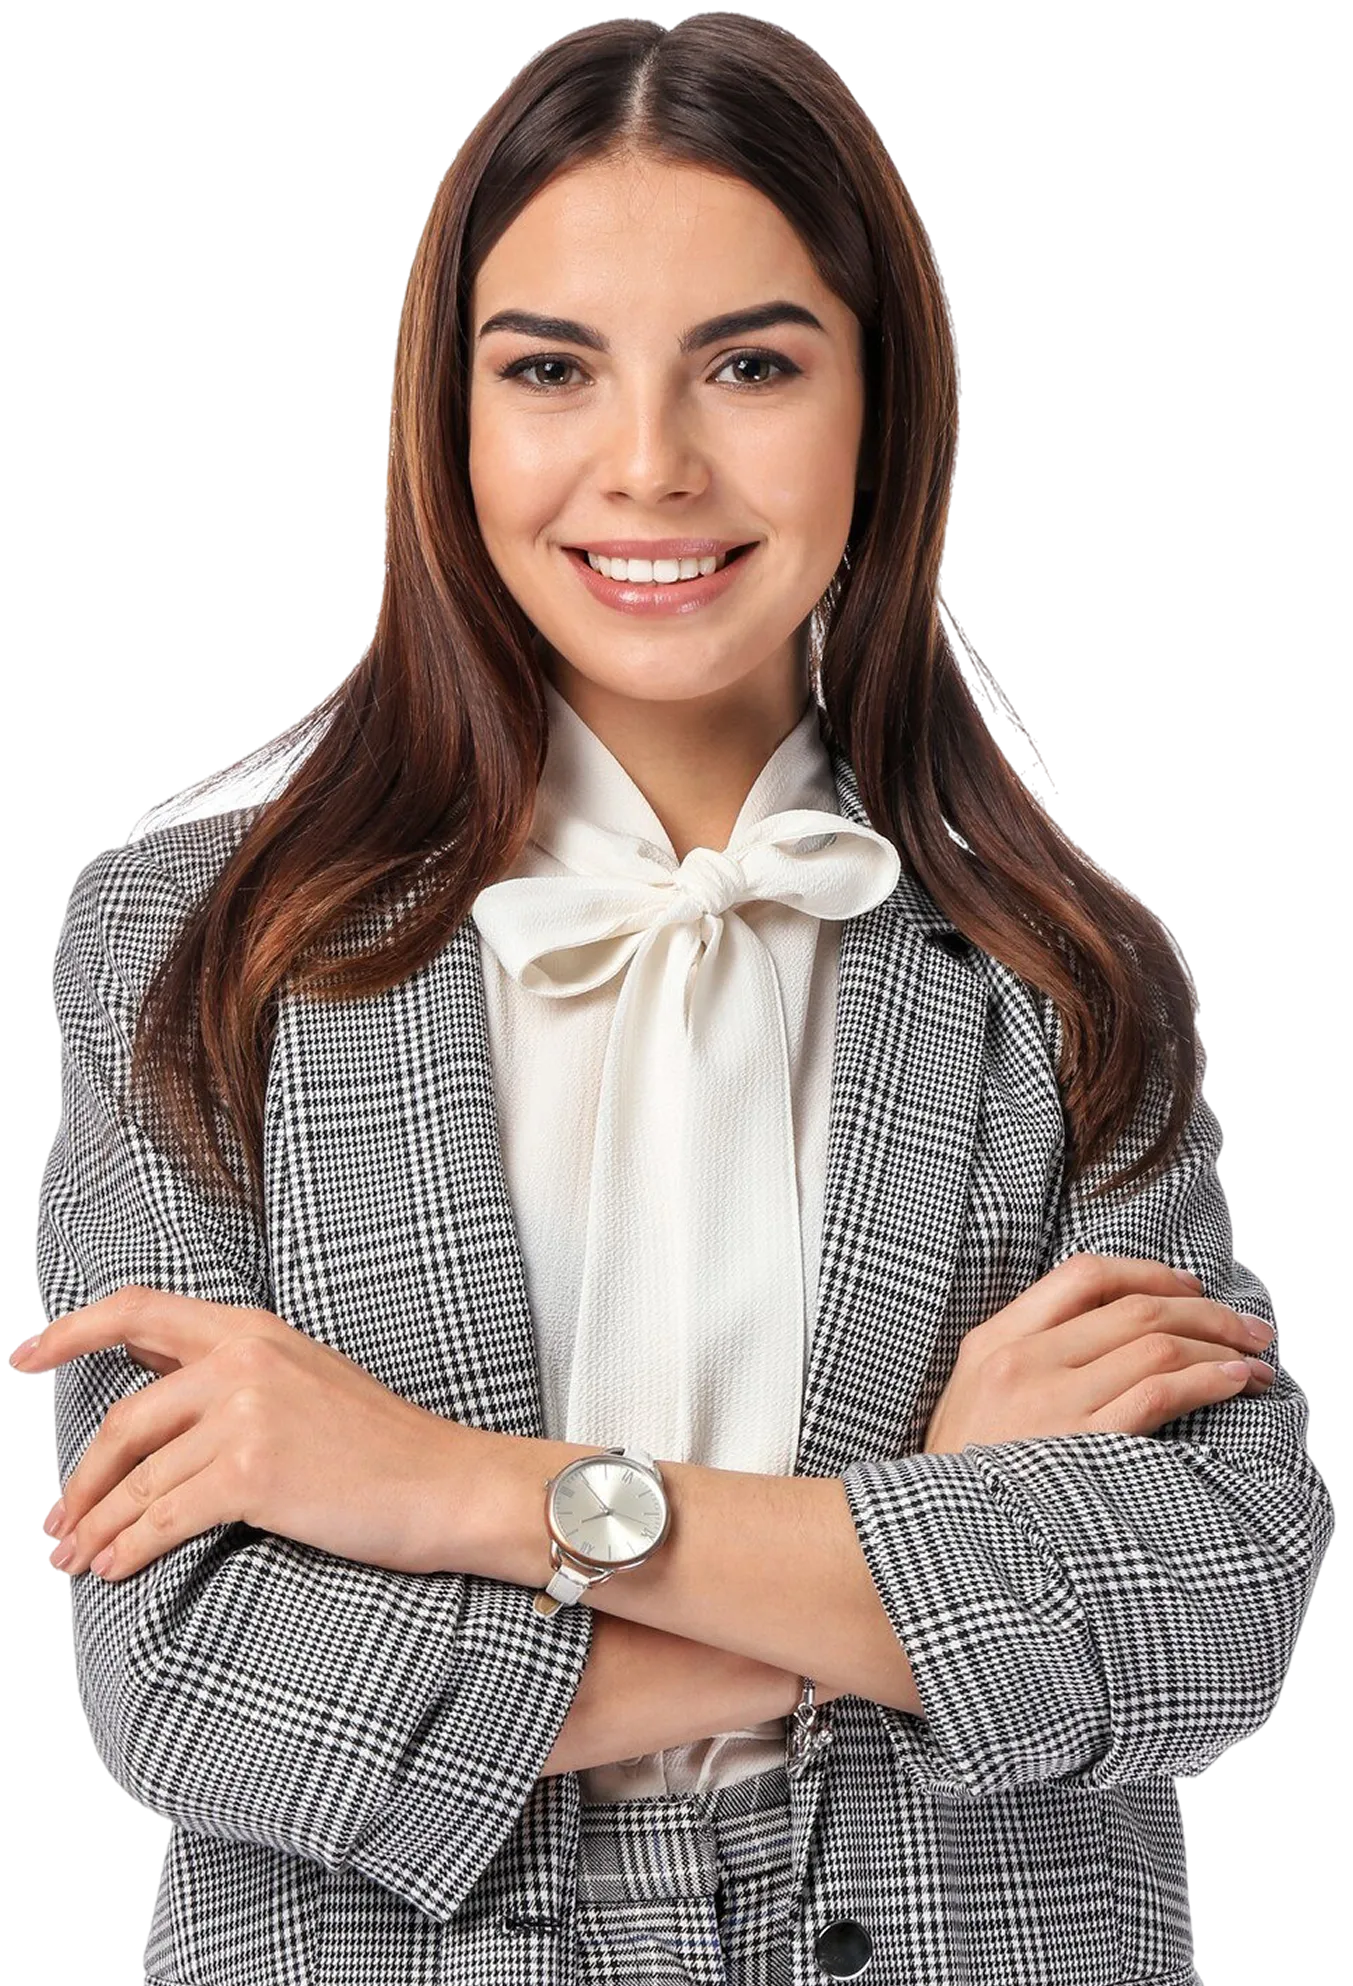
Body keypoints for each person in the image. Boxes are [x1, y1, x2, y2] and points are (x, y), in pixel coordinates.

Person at [18, 15, 1331, 1985]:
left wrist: (464, 1497)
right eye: (549, 369)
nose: (648, 465)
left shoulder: (1074, 965)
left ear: (881, 406)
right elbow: (196, 1689)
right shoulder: (192, 945)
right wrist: (927, 1537)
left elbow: (1209, 1610)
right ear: (444, 419)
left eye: (752, 364)